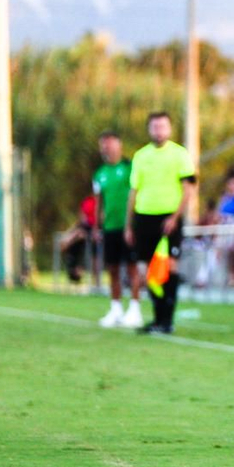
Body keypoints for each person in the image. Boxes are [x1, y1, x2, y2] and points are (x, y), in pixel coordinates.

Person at [124, 111, 197, 335]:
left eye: (163, 126)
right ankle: (157, 318)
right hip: (144, 218)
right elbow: (134, 191)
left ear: (170, 129)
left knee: (169, 266)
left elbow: (189, 189)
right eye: (155, 126)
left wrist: (175, 217)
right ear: (149, 129)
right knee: (148, 269)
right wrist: (129, 225)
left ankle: (168, 319)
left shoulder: (179, 154)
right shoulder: (140, 156)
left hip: (169, 217)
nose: (159, 130)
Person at [93, 131, 143, 329]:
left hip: (128, 226)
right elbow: (98, 202)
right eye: (103, 145)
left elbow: (137, 193)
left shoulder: (130, 168)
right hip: (110, 227)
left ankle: (135, 308)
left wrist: (133, 224)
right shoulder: (99, 174)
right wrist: (97, 226)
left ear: (119, 145)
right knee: (112, 268)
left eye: (110, 144)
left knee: (132, 267)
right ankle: (115, 308)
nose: (107, 148)